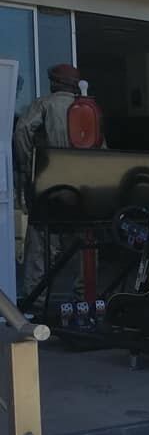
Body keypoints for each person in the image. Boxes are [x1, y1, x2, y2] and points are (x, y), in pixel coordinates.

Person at [13, 64, 91, 298]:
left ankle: (35, 302)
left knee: (42, 244)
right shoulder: (89, 109)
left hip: (50, 183)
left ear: (54, 83)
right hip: (85, 188)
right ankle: (84, 299)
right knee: (84, 245)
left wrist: (29, 168)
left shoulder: (44, 104)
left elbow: (22, 131)